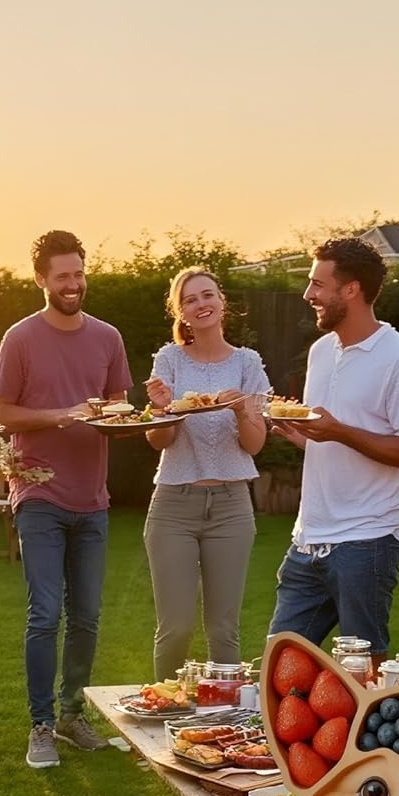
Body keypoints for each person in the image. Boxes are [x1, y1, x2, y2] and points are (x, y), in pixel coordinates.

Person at [0, 230, 131, 770]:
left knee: (87, 616)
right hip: (39, 492)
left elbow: (119, 408)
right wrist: (60, 416)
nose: (73, 284)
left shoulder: (108, 337)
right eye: (62, 276)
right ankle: (41, 724)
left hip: (92, 497)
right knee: (45, 613)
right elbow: (2, 412)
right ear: (41, 280)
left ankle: (73, 715)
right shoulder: (20, 338)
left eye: (78, 274)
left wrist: (117, 416)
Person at [266, 237, 399, 661]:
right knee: (280, 665)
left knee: (364, 670)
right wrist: (296, 433)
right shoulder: (321, 352)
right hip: (309, 537)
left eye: (318, 284)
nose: (308, 294)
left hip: (367, 539)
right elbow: (329, 440)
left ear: (352, 289)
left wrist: (339, 431)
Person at [142, 267, 269, 679]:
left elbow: (255, 444)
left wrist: (241, 409)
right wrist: (162, 408)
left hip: (232, 506)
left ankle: (225, 715)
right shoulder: (169, 359)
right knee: (175, 628)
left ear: (221, 301)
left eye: (207, 295)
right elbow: (159, 441)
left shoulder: (248, 363)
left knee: (223, 630)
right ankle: (165, 709)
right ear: (180, 312)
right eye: (190, 300)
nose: (201, 304)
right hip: (174, 505)